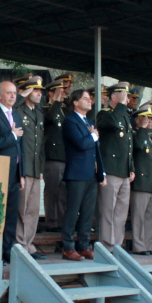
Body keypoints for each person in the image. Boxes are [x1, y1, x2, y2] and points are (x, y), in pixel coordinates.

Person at [60, 89, 105, 261]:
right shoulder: (70, 121)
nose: (89, 101)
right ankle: (68, 246)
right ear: (75, 102)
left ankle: (84, 245)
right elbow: (80, 143)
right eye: (85, 98)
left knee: (88, 212)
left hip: (90, 174)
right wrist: (93, 136)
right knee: (73, 211)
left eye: (89, 98)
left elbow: (95, 151)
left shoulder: (89, 121)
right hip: (76, 173)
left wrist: (101, 172)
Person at [0, 80, 25, 263]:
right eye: (8, 93)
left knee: (11, 214)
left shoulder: (16, 116)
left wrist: (22, 173)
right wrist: (11, 135)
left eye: (14, 93)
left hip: (15, 171)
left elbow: (20, 148)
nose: (12, 96)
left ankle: (7, 250)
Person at [96, 82, 134, 248]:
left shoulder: (124, 116)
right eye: (123, 95)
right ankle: (106, 243)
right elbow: (111, 123)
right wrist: (120, 106)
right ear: (113, 96)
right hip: (110, 169)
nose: (127, 99)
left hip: (124, 170)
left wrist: (131, 166)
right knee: (107, 210)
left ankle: (117, 243)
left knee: (121, 212)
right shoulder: (105, 114)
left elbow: (128, 144)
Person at [16, 77, 45, 259]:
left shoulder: (39, 114)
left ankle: (28, 243)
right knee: (22, 208)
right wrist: (21, 96)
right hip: (23, 168)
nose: (39, 93)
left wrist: (40, 167)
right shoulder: (18, 110)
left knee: (33, 209)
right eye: (35, 90)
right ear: (26, 91)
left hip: (35, 168)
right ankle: (19, 244)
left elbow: (41, 144)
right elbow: (9, 109)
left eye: (40, 90)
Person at [130, 103, 152, 255]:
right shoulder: (136, 134)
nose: (150, 121)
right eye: (146, 119)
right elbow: (138, 146)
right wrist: (141, 128)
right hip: (140, 183)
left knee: (150, 218)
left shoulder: (151, 136)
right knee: (138, 217)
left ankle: (147, 245)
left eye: (151, 119)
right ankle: (139, 246)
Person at [42, 78, 68, 233]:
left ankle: (60, 222)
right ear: (51, 93)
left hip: (64, 157)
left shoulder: (63, 111)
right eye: (60, 91)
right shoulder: (46, 109)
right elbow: (50, 118)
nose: (63, 94)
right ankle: (52, 222)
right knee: (52, 192)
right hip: (52, 158)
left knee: (63, 193)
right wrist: (56, 101)